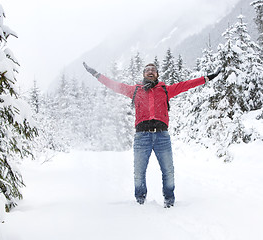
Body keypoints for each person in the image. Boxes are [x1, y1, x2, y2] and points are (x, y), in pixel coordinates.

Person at [83, 62, 220, 208]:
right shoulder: (135, 91)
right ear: (143, 74)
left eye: (153, 70)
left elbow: (187, 84)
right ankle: (140, 203)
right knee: (139, 172)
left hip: (162, 136)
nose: (150, 71)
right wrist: (96, 74)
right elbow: (114, 85)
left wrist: (208, 77)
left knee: (168, 170)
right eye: (147, 70)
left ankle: (169, 202)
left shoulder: (166, 90)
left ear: (157, 74)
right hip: (142, 137)